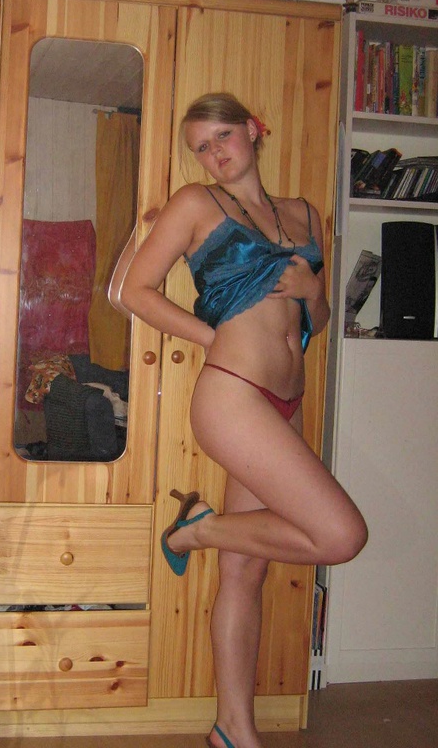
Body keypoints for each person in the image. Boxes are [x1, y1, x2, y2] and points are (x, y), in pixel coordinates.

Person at [109, 92, 368, 748]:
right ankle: (197, 531)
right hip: (235, 395)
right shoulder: (197, 204)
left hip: (286, 401)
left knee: (246, 571)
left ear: (254, 129)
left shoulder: (305, 214)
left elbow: (316, 323)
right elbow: (132, 291)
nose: (215, 153)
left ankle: (233, 731)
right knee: (340, 536)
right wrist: (211, 336)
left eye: (223, 136)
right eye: (201, 147)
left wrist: (314, 292)